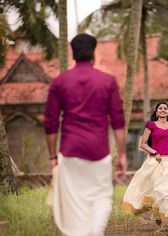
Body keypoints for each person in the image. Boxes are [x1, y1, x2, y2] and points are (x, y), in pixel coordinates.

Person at [44, 33, 127, 236]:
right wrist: (122, 154)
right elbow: (117, 120)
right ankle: (96, 231)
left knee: (75, 201)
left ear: (73, 53)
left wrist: (52, 156)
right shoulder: (107, 81)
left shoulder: (59, 82)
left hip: (70, 152)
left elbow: (51, 123)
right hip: (99, 152)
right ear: (93, 53)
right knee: (101, 196)